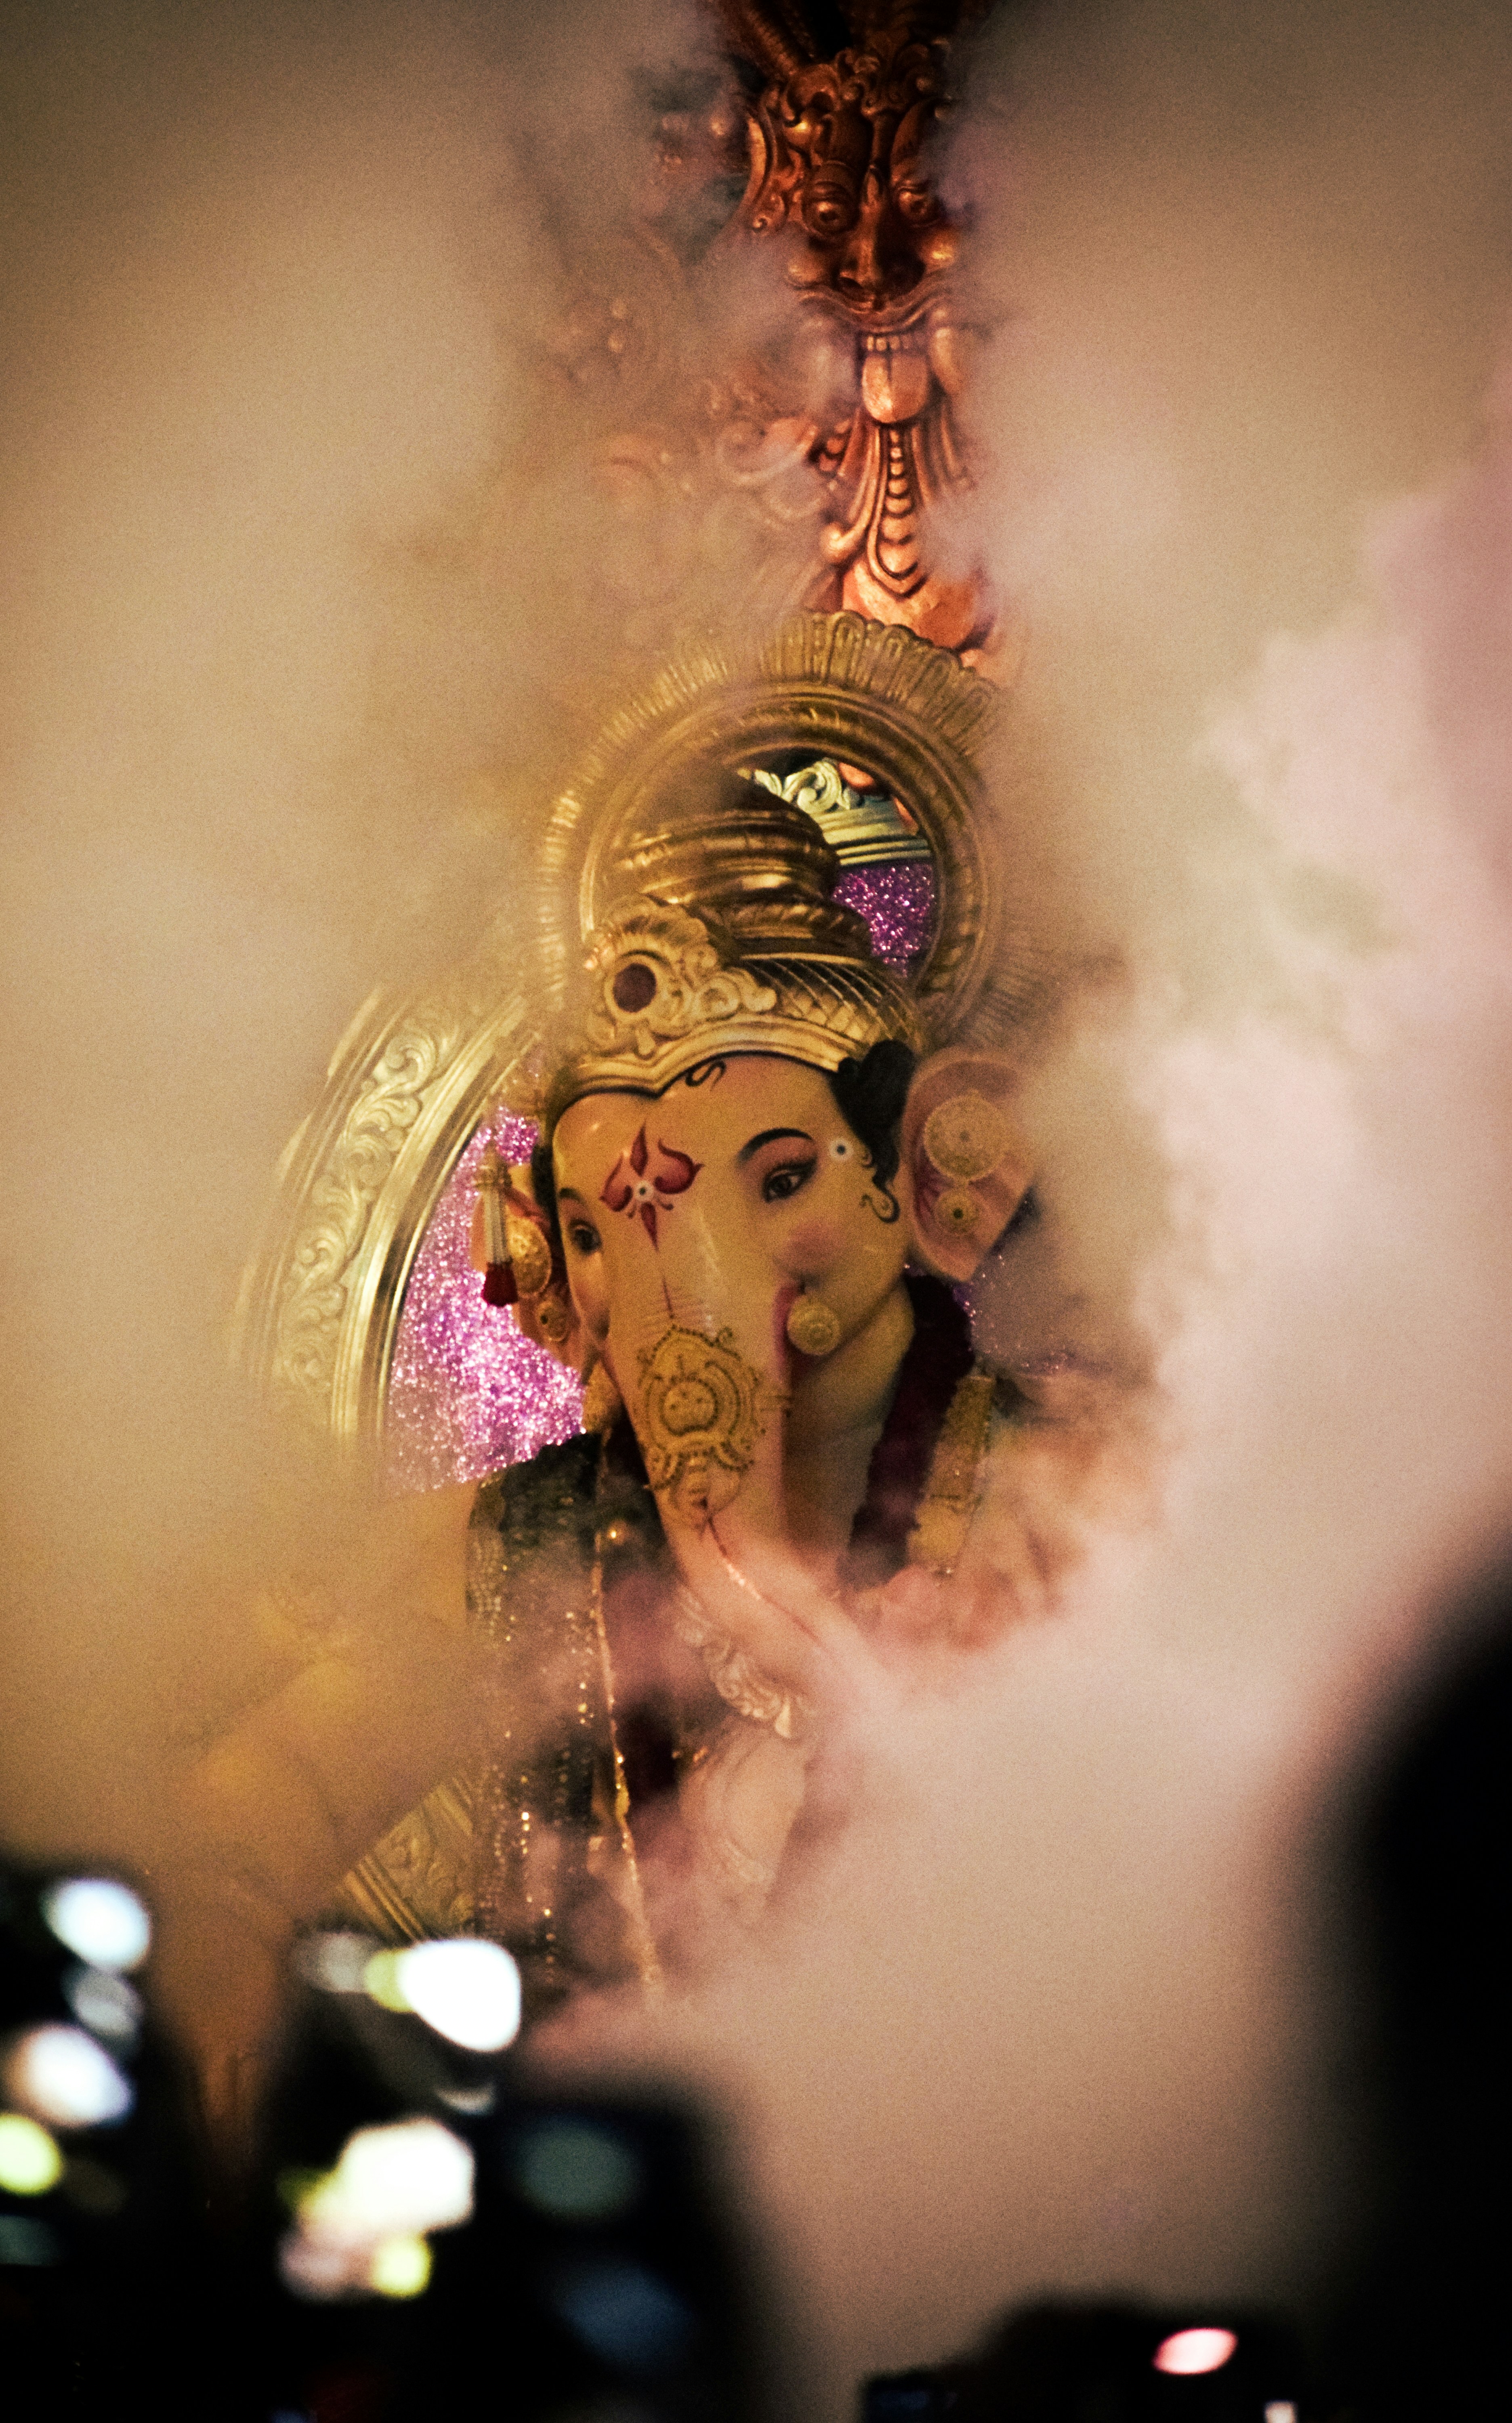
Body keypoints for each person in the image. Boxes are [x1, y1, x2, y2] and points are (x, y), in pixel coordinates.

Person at [167, 768, 1095, 2116]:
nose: (678, 1285)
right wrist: (219, 1973)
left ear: (933, 1180)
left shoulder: (1060, 1494)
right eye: (601, 1233)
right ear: (548, 1260)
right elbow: (268, 1802)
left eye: (783, 1181)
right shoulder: (529, 1543)